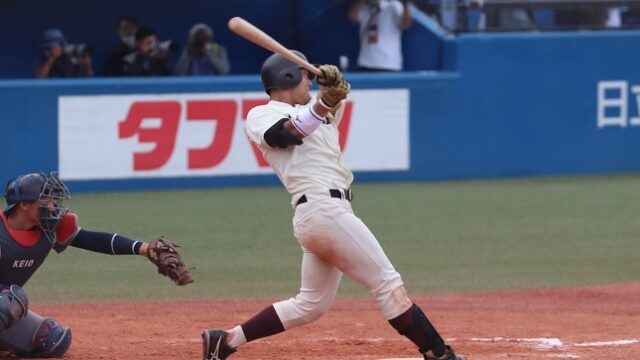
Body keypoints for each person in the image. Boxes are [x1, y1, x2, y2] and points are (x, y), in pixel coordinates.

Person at [200, 52, 466, 360]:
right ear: (286, 77)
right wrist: (325, 100)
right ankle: (438, 354)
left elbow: (325, 108)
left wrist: (333, 88)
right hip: (322, 210)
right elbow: (287, 134)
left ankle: (227, 340)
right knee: (387, 283)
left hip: (324, 216)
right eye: (306, 76)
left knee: (310, 305)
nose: (310, 82)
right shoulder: (263, 114)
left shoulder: (316, 114)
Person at [0, 172, 193, 358]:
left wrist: (143, 249)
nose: (52, 206)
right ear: (24, 205)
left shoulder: (50, 229)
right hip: (5, 303)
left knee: (52, 339)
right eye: (46, 200)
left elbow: (93, 240)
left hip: (7, 306)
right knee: (9, 303)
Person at [348, 0, 412, 71]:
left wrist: (405, 4)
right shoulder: (364, 8)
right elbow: (352, 16)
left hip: (389, 64)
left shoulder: (394, 6)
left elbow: (406, 23)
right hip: (365, 62)